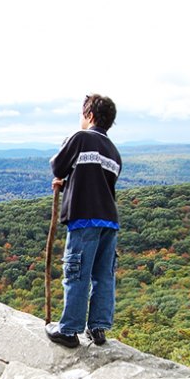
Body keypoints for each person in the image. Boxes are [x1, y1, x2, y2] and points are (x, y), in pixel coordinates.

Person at [45, 94, 122, 348]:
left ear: (89, 115)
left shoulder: (81, 138)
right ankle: (98, 328)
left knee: (77, 272)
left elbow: (58, 165)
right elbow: (97, 184)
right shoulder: (114, 152)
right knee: (103, 275)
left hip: (84, 219)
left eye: (82, 114)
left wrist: (62, 178)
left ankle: (69, 330)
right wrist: (69, 184)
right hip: (109, 221)